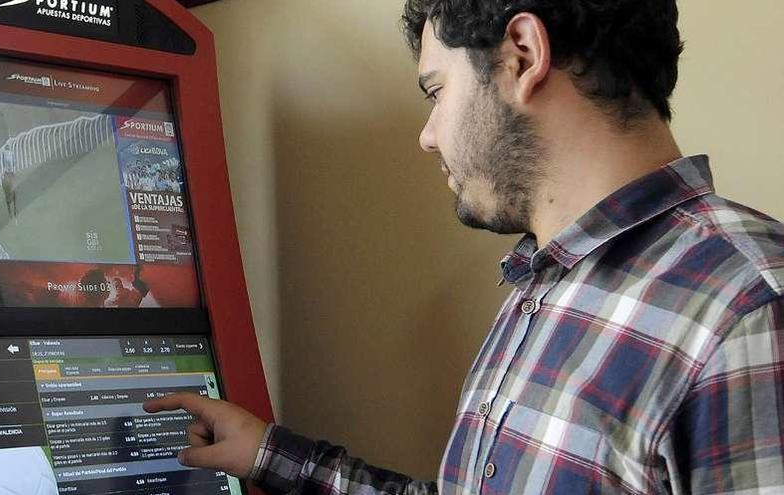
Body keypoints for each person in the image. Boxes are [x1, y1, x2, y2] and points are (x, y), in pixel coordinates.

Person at [145, 1, 784, 493]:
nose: (427, 136)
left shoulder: (750, 308)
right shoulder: (550, 280)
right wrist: (268, 454)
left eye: (437, 90)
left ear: (522, 55)